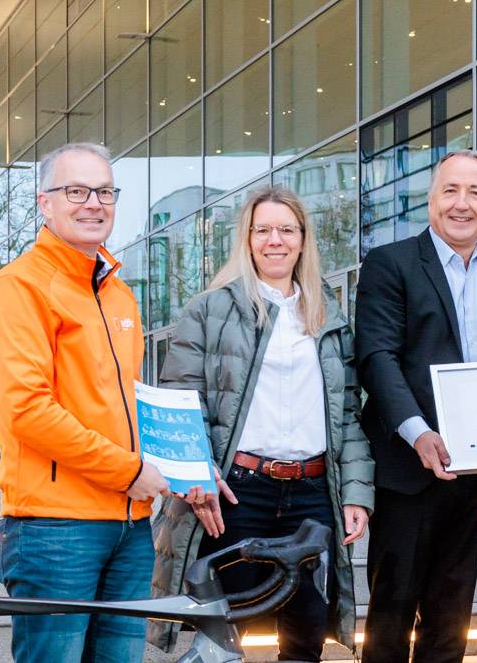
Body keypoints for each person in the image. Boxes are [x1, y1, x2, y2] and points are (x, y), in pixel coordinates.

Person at [148, 186, 374, 661]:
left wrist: (356, 494)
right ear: (248, 240)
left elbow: (348, 414)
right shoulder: (210, 309)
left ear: (303, 239)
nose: (276, 240)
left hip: (312, 495)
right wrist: (195, 474)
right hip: (237, 493)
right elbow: (178, 402)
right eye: (264, 230)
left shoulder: (328, 315)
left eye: (286, 229)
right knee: (225, 638)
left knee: (305, 636)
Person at [0, 141, 169, 663]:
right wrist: (128, 472)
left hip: (130, 525)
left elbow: (127, 408)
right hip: (55, 528)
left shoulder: (118, 293)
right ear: (45, 202)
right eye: (76, 190)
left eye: (104, 191)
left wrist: (184, 465)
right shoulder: (20, 287)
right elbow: (27, 410)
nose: (93, 203)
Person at [353, 149, 477, 663]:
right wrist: (418, 433)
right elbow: (376, 357)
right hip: (407, 471)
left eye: (475, 193)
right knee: (392, 611)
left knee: (451, 615)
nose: (462, 203)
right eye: (450, 190)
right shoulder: (391, 264)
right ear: (431, 201)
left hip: (473, 473)